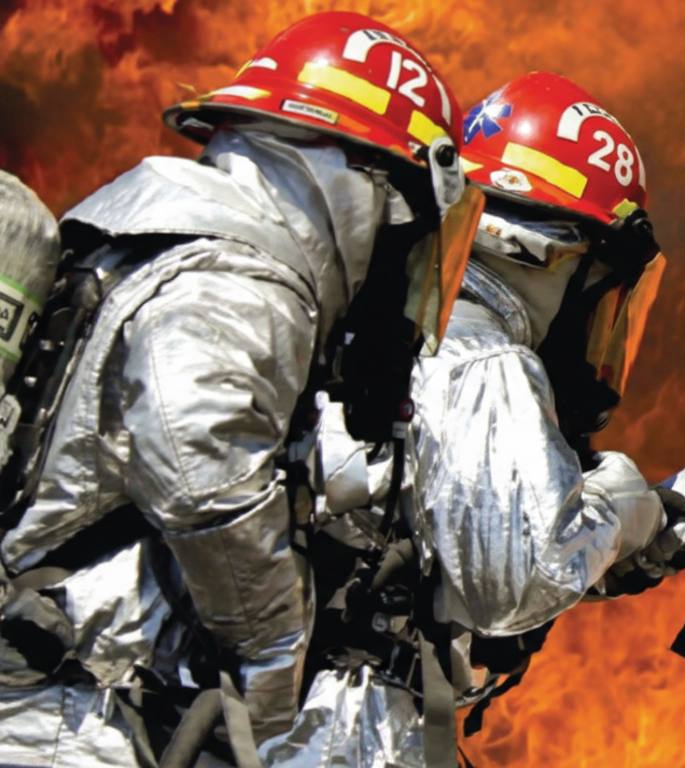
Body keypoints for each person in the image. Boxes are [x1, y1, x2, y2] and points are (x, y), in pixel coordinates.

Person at [263, 72, 685, 768]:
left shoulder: (396, 322)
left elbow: (455, 537)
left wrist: (659, 526)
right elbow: (514, 583)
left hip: (280, 711)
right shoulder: (486, 357)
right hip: (347, 733)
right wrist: (629, 498)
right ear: (567, 255)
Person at [0, 12, 474, 766]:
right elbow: (202, 463)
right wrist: (273, 663)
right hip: (63, 715)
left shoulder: (157, 227)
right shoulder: (244, 276)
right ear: (358, 189)